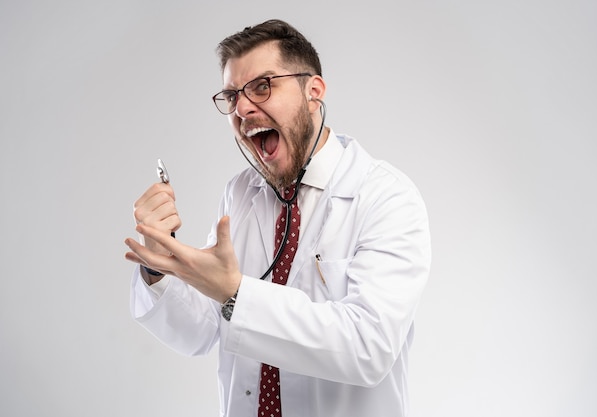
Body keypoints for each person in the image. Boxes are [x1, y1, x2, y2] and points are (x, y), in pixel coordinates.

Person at [124, 19, 431, 417]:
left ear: (313, 92)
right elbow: (200, 330)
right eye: (233, 95)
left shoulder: (386, 197)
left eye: (263, 86)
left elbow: (368, 348)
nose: (243, 107)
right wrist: (158, 266)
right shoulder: (239, 193)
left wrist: (236, 292)